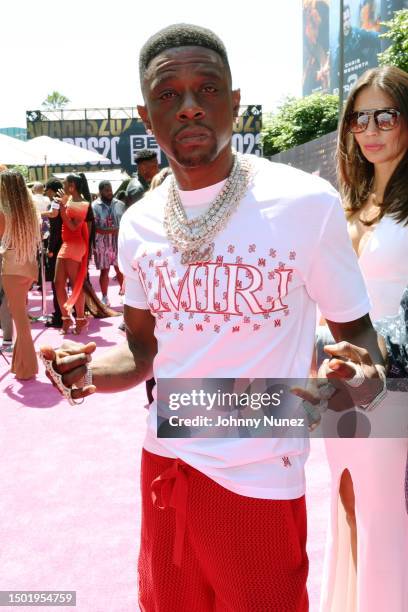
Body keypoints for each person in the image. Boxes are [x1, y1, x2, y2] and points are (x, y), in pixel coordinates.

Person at [40, 24, 385, 611]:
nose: (190, 105)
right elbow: (142, 352)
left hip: (260, 476)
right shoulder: (140, 221)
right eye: (168, 94)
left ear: (235, 102)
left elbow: (358, 335)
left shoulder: (306, 204)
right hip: (166, 465)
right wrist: (89, 371)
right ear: (147, 117)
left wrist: (364, 377)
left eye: (207, 88)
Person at [320, 66, 408, 612]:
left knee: (383, 511)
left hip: (393, 384)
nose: (370, 129)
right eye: (360, 118)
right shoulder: (348, 203)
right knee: (345, 501)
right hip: (339, 383)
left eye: (386, 115)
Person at [0, 171, 40, 379]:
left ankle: (29, 368)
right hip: (28, 266)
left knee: (20, 320)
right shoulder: (30, 210)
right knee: (18, 312)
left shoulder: (4, 211)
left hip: (13, 268)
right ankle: (19, 365)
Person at [54, 173, 90, 335]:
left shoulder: (82, 203)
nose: (62, 187)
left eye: (65, 183)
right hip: (67, 244)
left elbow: (74, 227)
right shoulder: (69, 200)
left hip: (74, 245)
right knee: (58, 283)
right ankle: (66, 318)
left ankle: (81, 319)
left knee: (75, 284)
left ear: (72, 186)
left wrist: (62, 209)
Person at [332, 2, 381, 96]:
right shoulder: (338, 50)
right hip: (350, 93)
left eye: (348, 19)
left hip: (369, 83)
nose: (346, 23)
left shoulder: (357, 33)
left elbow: (378, 38)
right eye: (344, 20)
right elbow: (334, 78)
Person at [92, 180, 124, 304]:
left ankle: (123, 293)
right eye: (106, 190)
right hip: (102, 244)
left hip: (118, 243)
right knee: (104, 271)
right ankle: (105, 297)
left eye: (110, 189)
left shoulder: (120, 204)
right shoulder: (94, 206)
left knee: (120, 269)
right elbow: (95, 227)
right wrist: (113, 230)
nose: (110, 192)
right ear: (100, 192)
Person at [42, 178, 64, 328]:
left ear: (51, 190)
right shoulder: (66, 202)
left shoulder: (55, 204)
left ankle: (58, 317)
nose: (45, 192)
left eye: (47, 189)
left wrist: (50, 249)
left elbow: (54, 230)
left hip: (57, 248)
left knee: (57, 284)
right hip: (68, 246)